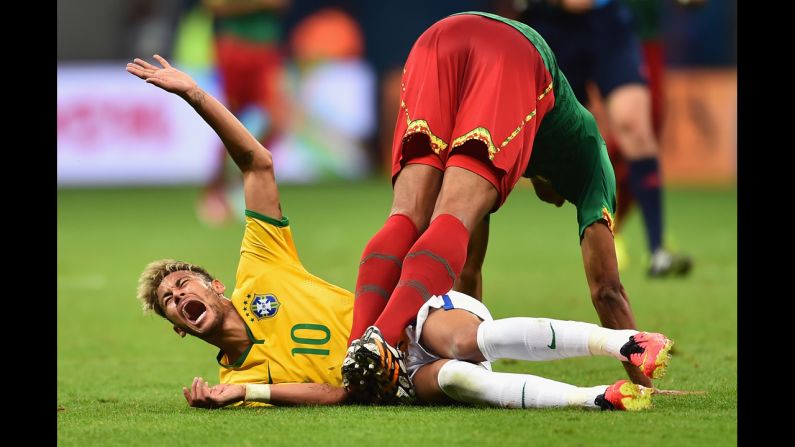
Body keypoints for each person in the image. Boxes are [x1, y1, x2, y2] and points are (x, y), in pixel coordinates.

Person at [125, 55, 672, 411]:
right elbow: (333, 392)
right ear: (179, 329)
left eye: (183, 284)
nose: (181, 297)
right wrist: (242, 391)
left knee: (456, 343)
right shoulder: (234, 384)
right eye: (172, 302)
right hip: (396, 381)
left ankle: (625, 342)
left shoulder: (260, 267)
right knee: (458, 381)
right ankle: (601, 397)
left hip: (411, 315)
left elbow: (258, 165)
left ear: (215, 285)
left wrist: (194, 95)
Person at [343, 11, 654, 401]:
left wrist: (465, 360)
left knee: (408, 215)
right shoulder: (593, 156)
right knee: (451, 217)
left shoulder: (526, 153)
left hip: (437, 36)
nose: (558, 205)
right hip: (514, 54)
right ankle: (381, 341)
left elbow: (466, 273)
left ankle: (356, 350)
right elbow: (608, 290)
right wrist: (645, 383)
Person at [516, 0, 692, 277]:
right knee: (554, 157)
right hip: (551, 26)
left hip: (608, 22)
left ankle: (657, 250)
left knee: (635, 126)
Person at [197, 0, 289, 226]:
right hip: (234, 48)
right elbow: (214, 6)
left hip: (266, 50)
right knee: (229, 120)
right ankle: (214, 190)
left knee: (277, 120)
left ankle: (240, 180)